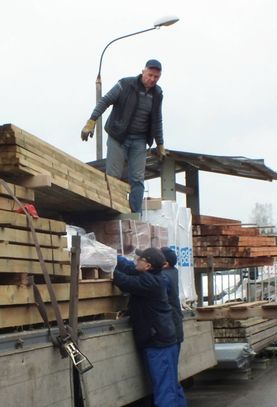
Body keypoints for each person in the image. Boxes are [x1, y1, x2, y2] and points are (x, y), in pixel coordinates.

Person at [81, 59, 168, 214]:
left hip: (139, 141)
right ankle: (111, 211)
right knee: (113, 176)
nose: (152, 79)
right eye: (150, 75)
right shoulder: (125, 85)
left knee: (137, 179)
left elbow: (157, 120)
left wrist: (160, 144)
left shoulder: (157, 94)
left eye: (156, 77)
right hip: (118, 137)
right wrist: (91, 121)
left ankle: (135, 215)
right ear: (143, 71)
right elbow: (105, 101)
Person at [113, 247, 182, 407]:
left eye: (140, 259)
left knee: (164, 389)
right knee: (171, 385)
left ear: (148, 266)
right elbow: (129, 267)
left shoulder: (152, 282)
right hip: (165, 340)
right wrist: (111, 256)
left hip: (158, 343)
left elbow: (124, 281)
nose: (137, 260)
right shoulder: (151, 275)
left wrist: (108, 268)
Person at [161, 246, 187, 406]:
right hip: (175, 331)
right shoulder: (172, 271)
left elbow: (147, 284)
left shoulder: (165, 277)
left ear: (165, 263)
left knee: (168, 377)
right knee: (171, 376)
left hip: (171, 332)